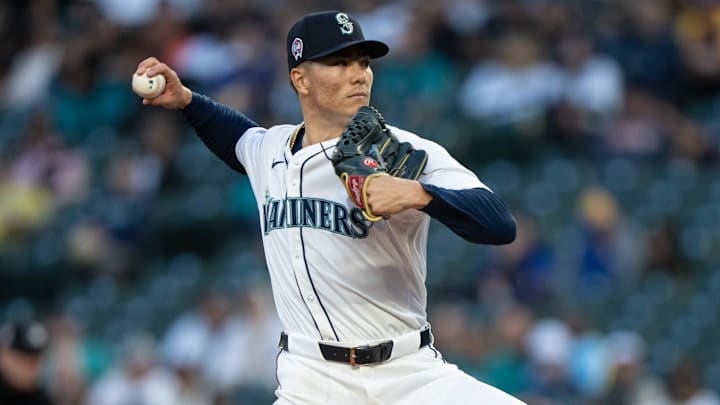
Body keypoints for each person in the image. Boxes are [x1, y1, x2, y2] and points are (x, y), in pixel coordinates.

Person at [136, 10, 524, 405]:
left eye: (363, 62)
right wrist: (185, 100)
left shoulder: (403, 153)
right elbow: (235, 137)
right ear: (300, 79)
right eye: (339, 63)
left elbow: (499, 223)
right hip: (311, 384)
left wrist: (418, 195)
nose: (359, 74)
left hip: (409, 375)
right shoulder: (271, 149)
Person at [0, 321, 53, 405]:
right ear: (3, 355)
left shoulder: (41, 398)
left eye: (36, 361)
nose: (32, 370)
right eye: (23, 359)